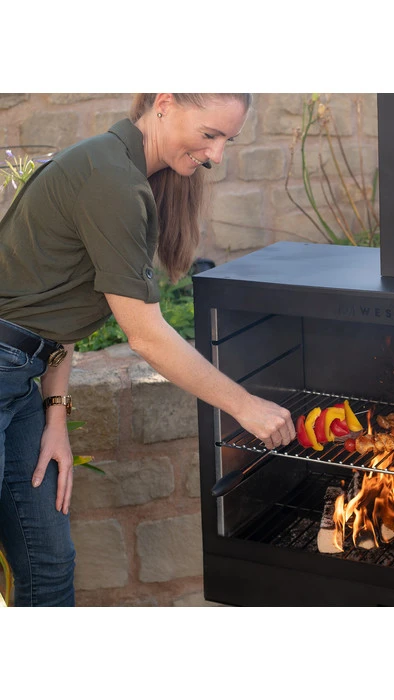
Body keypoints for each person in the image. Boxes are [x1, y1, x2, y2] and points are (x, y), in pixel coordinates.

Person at [0, 93, 296, 607]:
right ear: (164, 103)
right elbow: (145, 335)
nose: (217, 155)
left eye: (227, 140)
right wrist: (244, 406)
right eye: (209, 134)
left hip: (20, 384)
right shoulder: (111, 178)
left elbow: (59, 310)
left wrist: (55, 416)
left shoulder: (123, 170)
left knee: (49, 564)